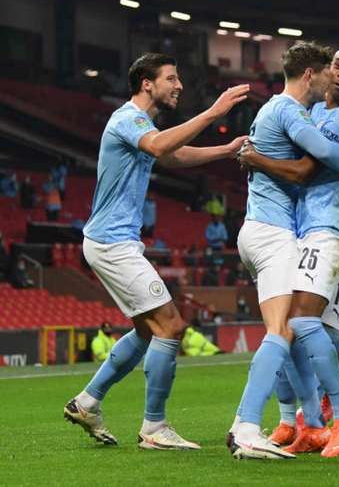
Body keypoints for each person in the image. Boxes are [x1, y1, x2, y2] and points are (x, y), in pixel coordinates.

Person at [63, 52, 249, 451]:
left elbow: (172, 154)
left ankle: (87, 402)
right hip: (112, 243)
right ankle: (154, 427)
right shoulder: (128, 118)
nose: (178, 85)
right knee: (172, 327)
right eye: (171, 78)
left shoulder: (140, 125)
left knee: (149, 332)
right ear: (147, 83)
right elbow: (160, 143)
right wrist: (212, 112)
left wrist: (224, 150)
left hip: (113, 241)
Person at [227, 41, 339, 460]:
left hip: (328, 231)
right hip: (297, 231)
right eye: (336, 66)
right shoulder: (305, 113)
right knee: (298, 330)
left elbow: (312, 166)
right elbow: (313, 166)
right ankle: (300, 421)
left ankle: (338, 417)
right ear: (318, 72)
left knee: (302, 326)